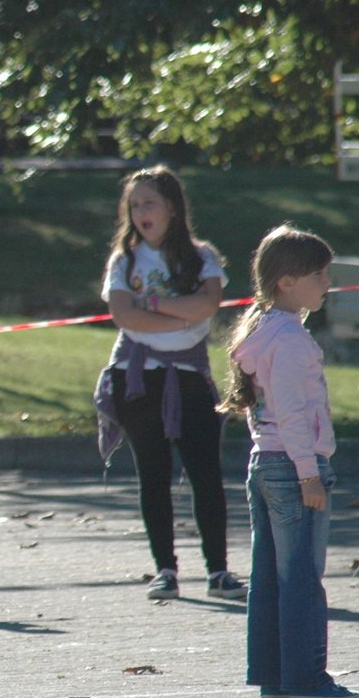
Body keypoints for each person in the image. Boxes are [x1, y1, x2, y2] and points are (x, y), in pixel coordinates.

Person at [219, 225, 359, 698]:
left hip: (266, 464)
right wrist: (308, 472)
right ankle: (304, 678)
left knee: (270, 576)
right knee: (300, 576)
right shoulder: (291, 341)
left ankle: (275, 675)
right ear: (287, 282)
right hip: (292, 467)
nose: (328, 283)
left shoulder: (265, 332)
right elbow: (292, 414)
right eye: (320, 275)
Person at [92, 166, 246, 602]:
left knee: (205, 475)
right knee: (152, 475)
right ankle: (165, 570)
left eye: (150, 203)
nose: (141, 212)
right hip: (138, 379)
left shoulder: (202, 256)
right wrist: (178, 310)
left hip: (189, 377)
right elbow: (125, 315)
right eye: (134, 204)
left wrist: (156, 303)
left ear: (173, 209)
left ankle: (218, 571)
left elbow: (207, 305)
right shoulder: (124, 260)